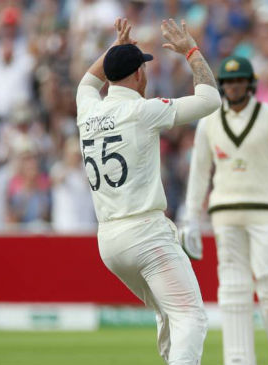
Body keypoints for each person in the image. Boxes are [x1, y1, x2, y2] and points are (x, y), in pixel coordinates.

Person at [75, 18, 221, 365]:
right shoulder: (143, 110)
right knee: (190, 316)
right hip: (145, 235)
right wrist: (191, 50)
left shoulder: (87, 109)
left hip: (109, 241)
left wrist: (116, 49)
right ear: (139, 74)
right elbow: (210, 98)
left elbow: (88, 81)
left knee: (168, 312)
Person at [180, 55, 268, 365]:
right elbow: (199, 173)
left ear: (250, 84)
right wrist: (191, 218)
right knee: (233, 288)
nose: (234, 86)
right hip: (225, 212)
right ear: (222, 86)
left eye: (239, 81)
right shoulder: (209, 121)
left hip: (266, 209)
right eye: (228, 82)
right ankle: (238, 360)